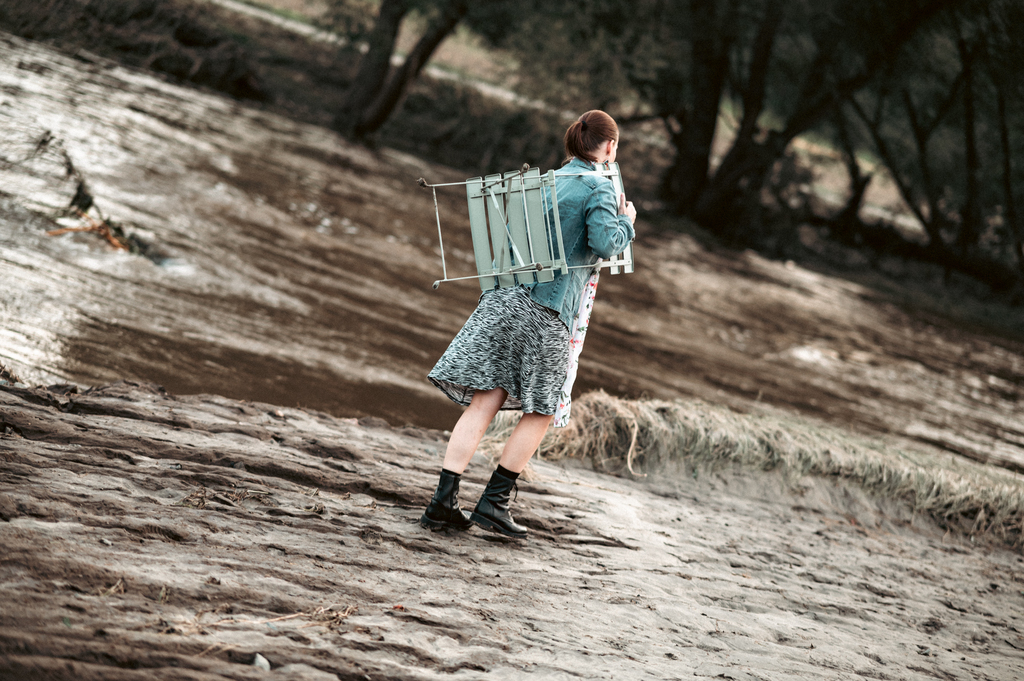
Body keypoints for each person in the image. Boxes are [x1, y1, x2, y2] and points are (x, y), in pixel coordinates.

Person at [421, 110, 637, 538]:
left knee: (485, 400)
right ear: (609, 147)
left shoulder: (544, 181)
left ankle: (442, 503)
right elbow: (604, 243)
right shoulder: (598, 186)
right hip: (547, 310)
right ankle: (494, 503)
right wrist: (627, 223)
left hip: (504, 299)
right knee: (544, 409)